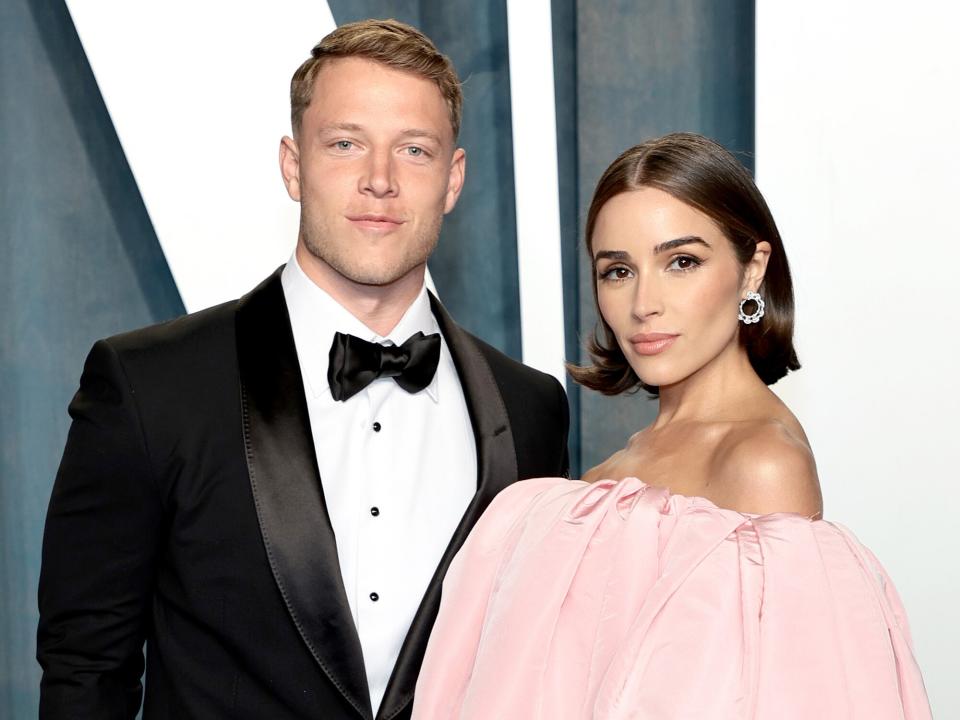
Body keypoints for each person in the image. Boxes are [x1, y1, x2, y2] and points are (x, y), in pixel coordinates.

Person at [36, 19, 569, 720]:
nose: (379, 181)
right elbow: (85, 671)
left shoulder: (530, 408)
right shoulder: (148, 386)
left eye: (413, 150)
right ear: (293, 165)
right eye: (345, 144)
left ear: (453, 179)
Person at [411, 133, 931, 719]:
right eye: (617, 271)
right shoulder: (610, 474)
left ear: (752, 269)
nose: (644, 303)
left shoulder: (761, 462)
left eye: (681, 262)